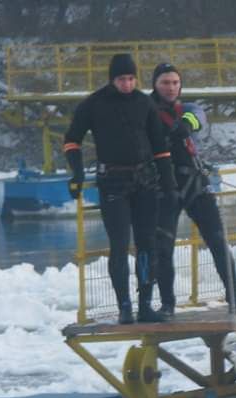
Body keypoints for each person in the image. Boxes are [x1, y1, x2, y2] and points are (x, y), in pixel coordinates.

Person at [63, 53, 177, 324]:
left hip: (145, 181)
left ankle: (145, 304)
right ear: (112, 79)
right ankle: (124, 306)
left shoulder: (144, 102)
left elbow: (159, 146)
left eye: (130, 79)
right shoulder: (94, 104)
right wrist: (77, 174)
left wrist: (168, 181)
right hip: (113, 181)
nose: (126, 84)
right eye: (121, 79)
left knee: (147, 244)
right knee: (119, 245)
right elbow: (71, 141)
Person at [150, 62, 236, 316]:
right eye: (165, 83)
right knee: (163, 248)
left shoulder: (188, 109)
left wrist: (186, 126)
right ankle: (168, 305)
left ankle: (235, 298)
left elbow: (197, 118)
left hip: (194, 184)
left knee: (217, 240)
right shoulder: (146, 111)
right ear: (155, 85)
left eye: (175, 83)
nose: (171, 88)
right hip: (164, 187)